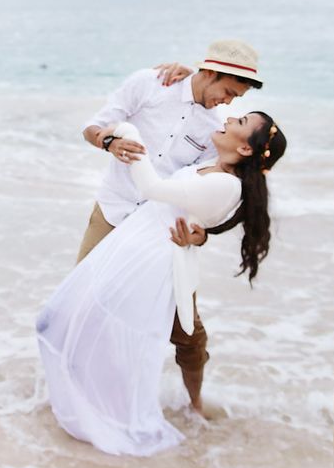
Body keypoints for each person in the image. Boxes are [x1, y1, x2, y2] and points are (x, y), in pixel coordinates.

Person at [36, 112, 286, 457]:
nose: (229, 117)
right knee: (69, 317)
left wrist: (126, 131)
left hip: (149, 259)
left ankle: (122, 408)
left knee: (133, 331)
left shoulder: (227, 184)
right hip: (133, 245)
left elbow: (152, 188)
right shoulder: (215, 167)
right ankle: (84, 396)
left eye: (240, 121)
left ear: (245, 147)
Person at [78, 39, 263, 414]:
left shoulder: (215, 131)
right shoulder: (148, 84)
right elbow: (93, 127)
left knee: (187, 333)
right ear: (209, 73)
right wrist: (108, 141)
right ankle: (88, 394)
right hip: (113, 213)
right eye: (227, 92)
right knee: (84, 306)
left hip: (162, 235)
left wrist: (203, 235)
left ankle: (194, 403)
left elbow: (224, 194)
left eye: (235, 99)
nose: (227, 103)